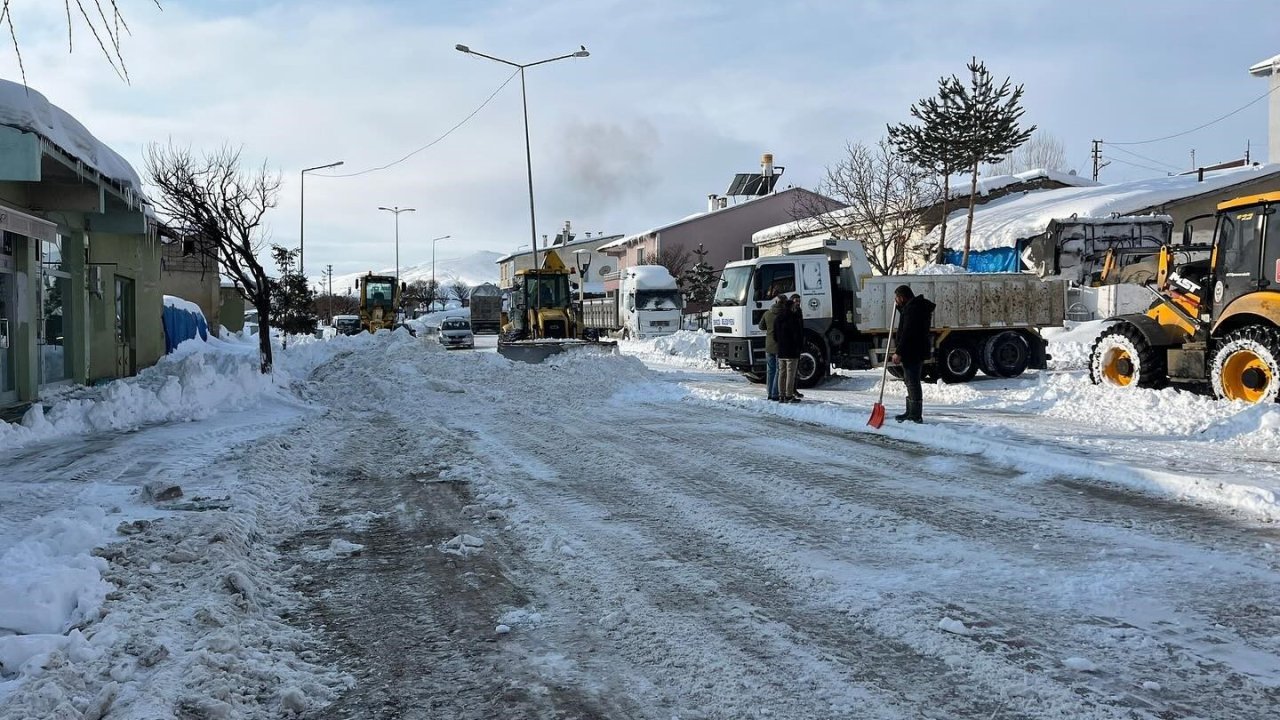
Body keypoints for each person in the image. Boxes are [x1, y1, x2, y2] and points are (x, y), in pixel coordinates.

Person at [891, 284, 936, 423]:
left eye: (897, 298)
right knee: (909, 381)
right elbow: (906, 320)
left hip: (913, 351)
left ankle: (915, 415)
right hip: (914, 350)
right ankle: (910, 411)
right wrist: (899, 308)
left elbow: (908, 333)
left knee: (913, 382)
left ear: (903, 297)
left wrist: (898, 352)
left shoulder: (913, 310)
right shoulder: (913, 308)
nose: (896, 300)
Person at [774, 295, 804, 403]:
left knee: (782, 373)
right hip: (792, 351)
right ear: (791, 307)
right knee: (790, 374)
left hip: (781, 350)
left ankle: (781, 395)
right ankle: (789, 395)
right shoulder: (793, 318)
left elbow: (775, 336)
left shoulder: (778, 318)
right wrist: (799, 347)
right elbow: (797, 335)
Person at [758, 292, 786, 401]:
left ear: (775, 302)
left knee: (770, 370)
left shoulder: (767, 313)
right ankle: (775, 393)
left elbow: (761, 326)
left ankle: (769, 393)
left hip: (768, 345)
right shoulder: (784, 315)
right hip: (779, 345)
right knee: (779, 370)